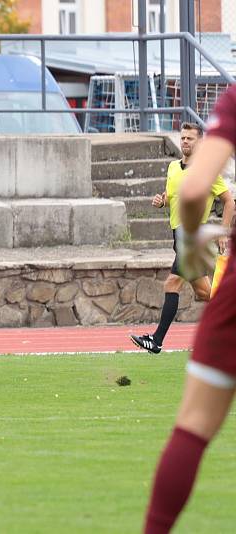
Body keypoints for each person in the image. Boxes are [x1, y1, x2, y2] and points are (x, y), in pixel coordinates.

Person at [143, 86, 236, 533]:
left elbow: (200, 190)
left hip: (207, 257)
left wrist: (204, 235)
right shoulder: (171, 165)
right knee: (194, 290)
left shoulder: (233, 99)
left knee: (194, 426)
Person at [130, 122, 233, 354]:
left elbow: (229, 202)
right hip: (179, 236)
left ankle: (156, 340)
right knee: (205, 293)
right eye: (183, 138)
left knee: (172, 283)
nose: (185, 141)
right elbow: (172, 195)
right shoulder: (172, 168)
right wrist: (161, 201)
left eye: (190, 138)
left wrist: (224, 233)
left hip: (194, 236)